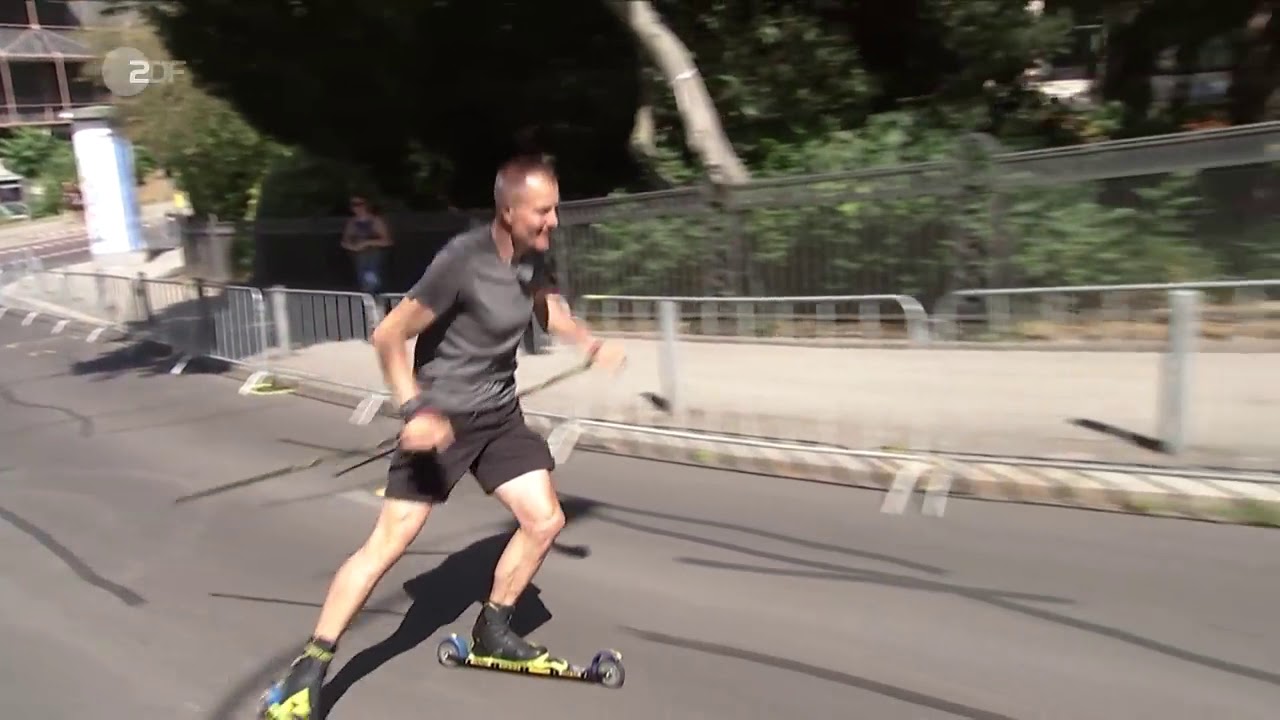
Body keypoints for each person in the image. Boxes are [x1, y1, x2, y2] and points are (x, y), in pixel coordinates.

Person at [260, 155, 625, 720]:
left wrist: (588, 341)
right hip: (442, 419)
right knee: (390, 542)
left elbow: (545, 305)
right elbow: (388, 335)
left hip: (499, 415)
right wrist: (415, 410)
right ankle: (308, 669)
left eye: (555, 209)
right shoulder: (462, 260)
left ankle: (493, 629)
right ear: (508, 211)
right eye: (543, 211)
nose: (553, 221)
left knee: (544, 520)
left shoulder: (531, 255)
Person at [341, 196, 393, 294]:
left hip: (375, 256)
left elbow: (387, 241)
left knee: (374, 280)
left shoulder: (376, 221)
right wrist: (352, 247)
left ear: (366, 205)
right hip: (359, 258)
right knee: (364, 281)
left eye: (359, 204)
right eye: (353, 205)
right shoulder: (351, 223)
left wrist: (366, 243)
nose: (356, 207)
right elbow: (344, 242)